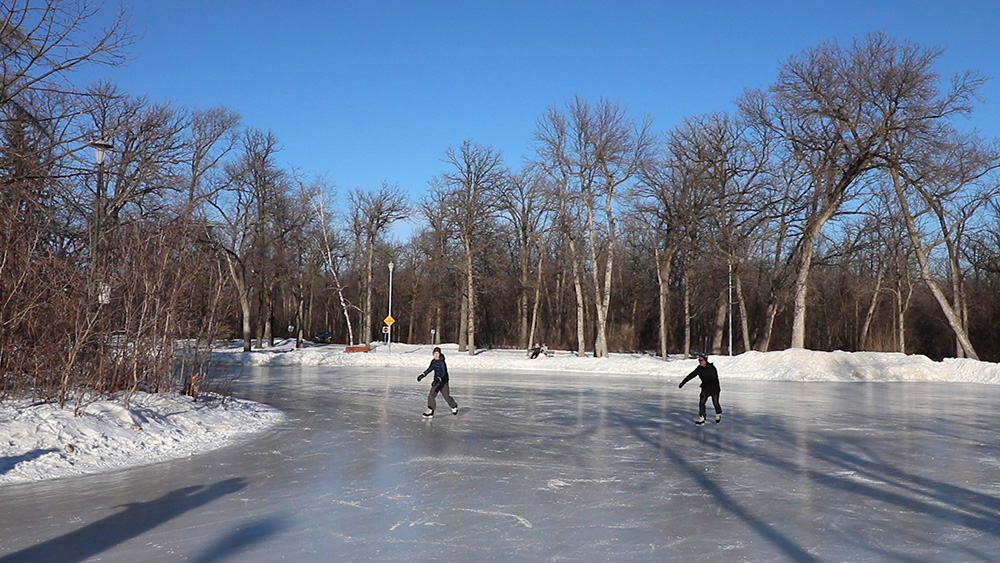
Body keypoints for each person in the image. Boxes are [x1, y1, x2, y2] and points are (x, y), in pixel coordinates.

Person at [678, 353, 722, 425]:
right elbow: (692, 375)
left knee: (715, 403)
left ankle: (718, 413)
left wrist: (706, 388)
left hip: (714, 389)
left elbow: (713, 380)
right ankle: (702, 417)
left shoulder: (711, 368)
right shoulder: (699, 368)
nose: (700, 362)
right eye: (699, 360)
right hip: (705, 388)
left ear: (705, 360)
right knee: (701, 403)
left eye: (701, 360)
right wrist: (683, 382)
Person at [417, 346, 458, 418]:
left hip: (443, 382)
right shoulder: (433, 362)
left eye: (437, 353)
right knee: (431, 395)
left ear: (440, 354)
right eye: (435, 353)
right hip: (436, 381)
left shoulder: (442, 363)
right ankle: (430, 410)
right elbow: (429, 369)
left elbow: (444, 373)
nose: (436, 355)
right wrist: (422, 375)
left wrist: (438, 379)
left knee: (446, 397)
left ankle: (454, 406)